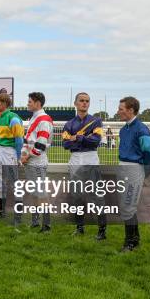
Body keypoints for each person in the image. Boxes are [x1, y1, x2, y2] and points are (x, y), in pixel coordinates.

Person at [62, 92, 106, 239]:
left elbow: (96, 141)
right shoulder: (69, 124)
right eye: (81, 101)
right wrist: (84, 138)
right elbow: (65, 144)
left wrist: (78, 137)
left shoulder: (96, 121)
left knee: (96, 195)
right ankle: (79, 227)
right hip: (75, 159)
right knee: (77, 196)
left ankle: (102, 231)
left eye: (87, 101)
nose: (84, 103)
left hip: (91, 158)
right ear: (75, 103)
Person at [117, 96, 150, 252]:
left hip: (134, 169)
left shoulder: (142, 129)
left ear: (131, 110)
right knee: (125, 206)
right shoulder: (123, 129)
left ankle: (130, 242)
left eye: (121, 109)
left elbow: (149, 153)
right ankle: (135, 239)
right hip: (123, 167)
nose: (118, 112)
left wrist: (145, 173)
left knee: (128, 206)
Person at [20, 92, 53, 232]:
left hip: (37, 160)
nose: (28, 104)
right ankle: (35, 221)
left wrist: (27, 156)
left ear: (38, 103)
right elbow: (28, 139)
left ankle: (46, 225)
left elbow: (41, 143)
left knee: (41, 193)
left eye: (30, 101)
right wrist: (23, 154)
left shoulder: (44, 119)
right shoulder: (35, 117)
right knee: (35, 192)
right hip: (31, 160)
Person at [0, 93, 24, 218]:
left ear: (5, 103)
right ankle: (2, 211)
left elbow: (19, 139)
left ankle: (18, 212)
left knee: (13, 182)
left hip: (10, 152)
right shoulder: (0, 117)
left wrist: (17, 157)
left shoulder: (13, 118)